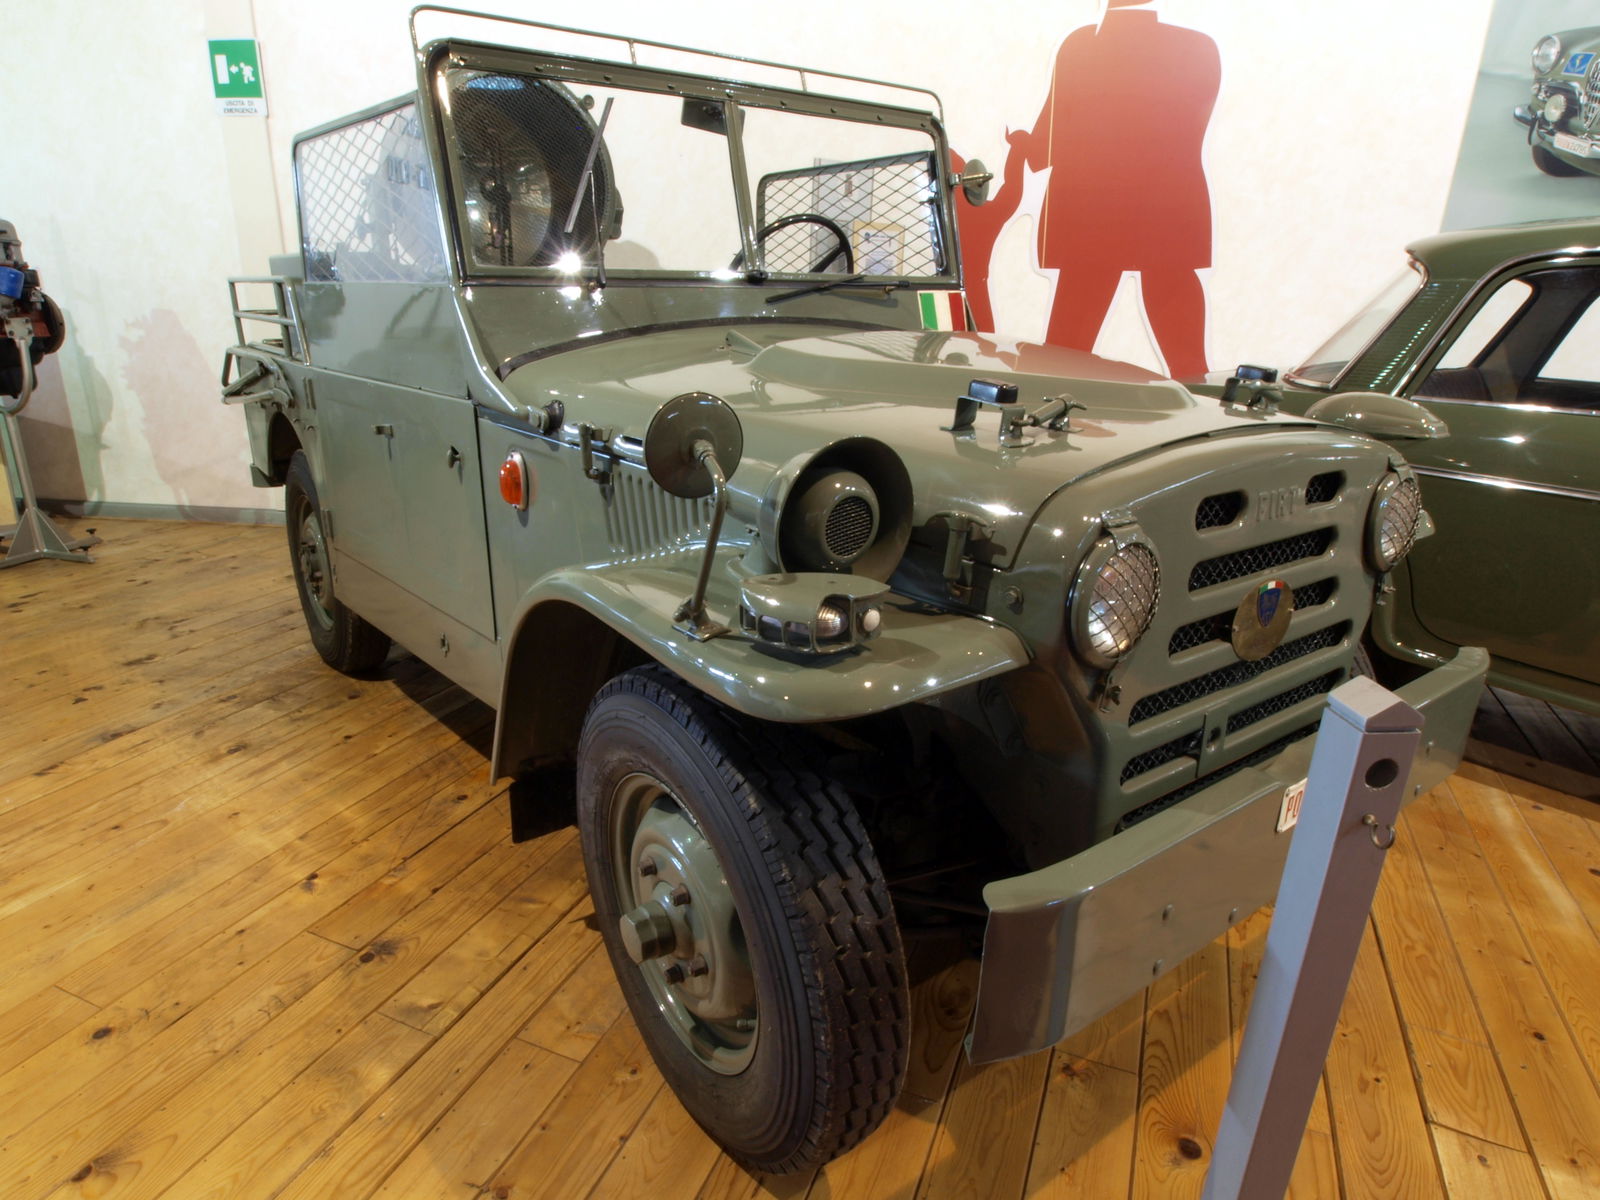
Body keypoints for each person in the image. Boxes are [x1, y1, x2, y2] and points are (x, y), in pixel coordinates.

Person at [991, 0, 1219, 378]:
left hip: (1091, 218)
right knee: (1190, 368)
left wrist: (1020, 144)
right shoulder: (1200, 48)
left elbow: (1046, 148)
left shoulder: (1084, 45)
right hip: (1169, 214)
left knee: (1063, 360)